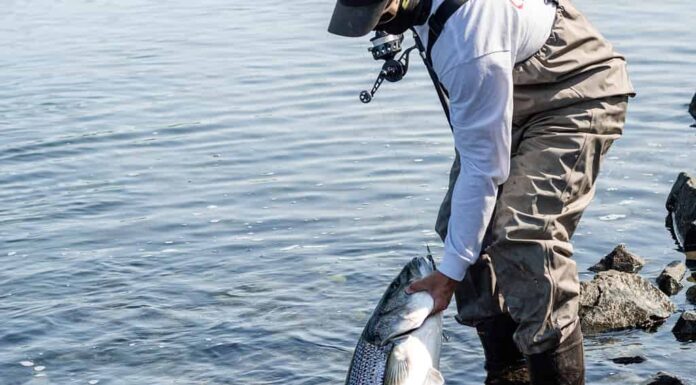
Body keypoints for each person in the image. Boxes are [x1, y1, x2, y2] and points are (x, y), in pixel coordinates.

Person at [327, 0, 634, 384]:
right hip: (509, 95)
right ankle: (508, 371)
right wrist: (457, 257)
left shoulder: (471, 36)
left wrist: (448, 275)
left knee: (523, 233)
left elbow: (483, 169)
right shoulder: (435, 21)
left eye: (382, 14)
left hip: (573, 95)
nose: (379, 26)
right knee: (458, 227)